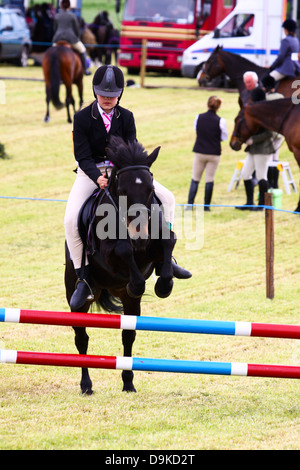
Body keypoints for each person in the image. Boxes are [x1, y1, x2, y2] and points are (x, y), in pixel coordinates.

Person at [64, 64, 191, 311]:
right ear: (94, 92)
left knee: (167, 197)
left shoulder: (127, 117)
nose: (108, 99)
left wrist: (131, 171)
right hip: (90, 172)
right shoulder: (81, 118)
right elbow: (82, 155)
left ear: (120, 94)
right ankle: (84, 276)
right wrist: (97, 177)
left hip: (123, 171)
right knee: (70, 219)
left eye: (112, 96)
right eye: (103, 95)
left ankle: (167, 258)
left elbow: (131, 149)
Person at [235, 87, 276, 211]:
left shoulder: (266, 112)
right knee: (245, 173)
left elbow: (270, 133)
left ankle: (262, 205)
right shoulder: (254, 111)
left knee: (261, 176)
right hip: (252, 149)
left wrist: (253, 140)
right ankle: (249, 203)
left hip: (263, 149)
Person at [186, 96, 228, 211]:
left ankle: (190, 204)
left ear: (207, 104)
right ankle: (206, 206)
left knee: (195, 178)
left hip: (200, 151)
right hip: (214, 153)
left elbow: (197, 130)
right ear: (218, 107)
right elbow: (224, 137)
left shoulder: (198, 117)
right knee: (209, 179)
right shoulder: (221, 121)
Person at [52, 0, 91, 75]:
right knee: (83, 50)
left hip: (57, 38)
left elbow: (55, 29)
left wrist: (56, 36)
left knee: (51, 53)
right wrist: (77, 37)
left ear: (61, 6)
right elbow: (76, 29)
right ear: (69, 6)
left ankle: (51, 69)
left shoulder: (57, 16)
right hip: (71, 38)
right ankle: (85, 70)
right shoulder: (72, 16)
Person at [262, 75, 284, 188]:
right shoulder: (281, 96)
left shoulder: (265, 99)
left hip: (269, 132)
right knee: (276, 157)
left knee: (269, 158)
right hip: (280, 132)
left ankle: (269, 183)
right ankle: (275, 183)